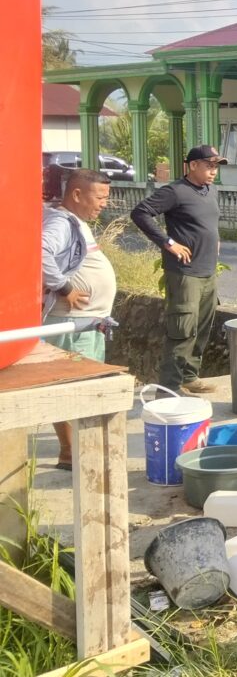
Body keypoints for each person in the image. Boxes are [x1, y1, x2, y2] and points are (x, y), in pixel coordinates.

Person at [130, 145, 226, 397]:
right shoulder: (175, 191)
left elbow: (207, 222)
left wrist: (215, 239)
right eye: (209, 165)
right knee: (182, 329)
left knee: (202, 327)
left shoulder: (211, 190)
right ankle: (168, 388)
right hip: (185, 273)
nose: (213, 171)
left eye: (216, 167)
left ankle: (189, 376)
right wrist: (168, 242)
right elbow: (140, 213)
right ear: (193, 165)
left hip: (207, 271)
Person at [41, 168, 113, 470]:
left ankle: (76, 451)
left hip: (85, 323)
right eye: (100, 197)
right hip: (70, 324)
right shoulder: (62, 222)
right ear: (77, 194)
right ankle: (72, 452)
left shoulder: (74, 222)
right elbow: (40, 251)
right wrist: (65, 287)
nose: (104, 204)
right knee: (70, 388)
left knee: (80, 388)